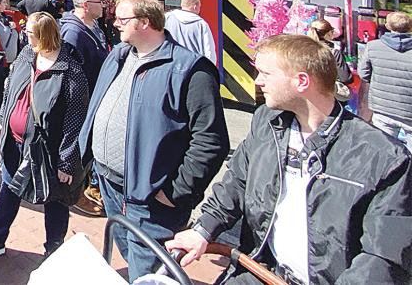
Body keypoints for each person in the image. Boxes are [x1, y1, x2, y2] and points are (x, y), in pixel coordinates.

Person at [167, 34, 412, 284]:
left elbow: (383, 258)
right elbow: (235, 185)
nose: (258, 81)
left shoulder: (384, 157)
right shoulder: (266, 123)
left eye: (266, 74)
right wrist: (203, 230)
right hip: (262, 270)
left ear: (302, 81)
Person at [78, 0, 229, 280]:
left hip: (150, 197)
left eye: (122, 19)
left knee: (148, 269)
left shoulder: (190, 70)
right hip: (110, 185)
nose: (114, 23)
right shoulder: (119, 55)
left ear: (145, 22)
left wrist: (175, 193)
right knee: (125, 247)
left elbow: (211, 141)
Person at [0, 12, 89, 260]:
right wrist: (3, 122)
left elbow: (75, 119)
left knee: (55, 201)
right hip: (15, 143)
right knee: (8, 190)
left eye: (30, 34)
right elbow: (10, 89)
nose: (25, 36)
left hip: (48, 150)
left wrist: (66, 160)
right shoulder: (26, 56)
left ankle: (53, 251)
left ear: (43, 36)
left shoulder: (70, 70)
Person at [59, 0, 110, 216]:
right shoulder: (73, 33)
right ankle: (75, 191)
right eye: (100, 2)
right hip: (82, 100)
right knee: (80, 146)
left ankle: (88, 187)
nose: (105, 5)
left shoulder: (94, 27)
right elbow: (68, 73)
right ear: (86, 5)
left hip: (96, 96)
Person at [359, 11, 412, 151]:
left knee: (385, 153)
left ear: (387, 26)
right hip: (409, 111)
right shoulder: (373, 46)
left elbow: (363, 74)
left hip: (382, 108)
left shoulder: (373, 46)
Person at [163, 0, 217, 64]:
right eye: (199, 7)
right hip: (193, 65)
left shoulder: (167, 17)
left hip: (171, 62)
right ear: (195, 7)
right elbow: (209, 49)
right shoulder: (201, 24)